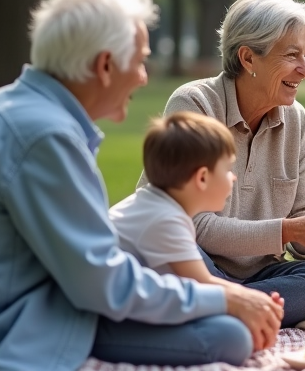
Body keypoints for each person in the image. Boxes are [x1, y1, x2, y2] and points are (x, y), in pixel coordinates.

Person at [0, 0, 283, 371]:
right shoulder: (45, 135)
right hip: (0, 330)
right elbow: (102, 284)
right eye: (139, 62)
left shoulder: (8, 105)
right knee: (227, 335)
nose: (142, 77)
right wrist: (223, 296)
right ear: (104, 66)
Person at [155, 0, 305, 326]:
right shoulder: (194, 105)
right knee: (170, 258)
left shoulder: (295, 118)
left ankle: (223, 309)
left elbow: (302, 220)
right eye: (292, 55)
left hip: (261, 276)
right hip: (195, 262)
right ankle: (241, 308)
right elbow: (192, 226)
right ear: (248, 58)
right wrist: (287, 230)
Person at [109, 112, 281, 320]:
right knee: (231, 335)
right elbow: (203, 284)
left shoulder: (157, 205)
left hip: (129, 305)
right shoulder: (166, 220)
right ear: (202, 178)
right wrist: (253, 301)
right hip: (112, 317)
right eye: (228, 169)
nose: (233, 177)